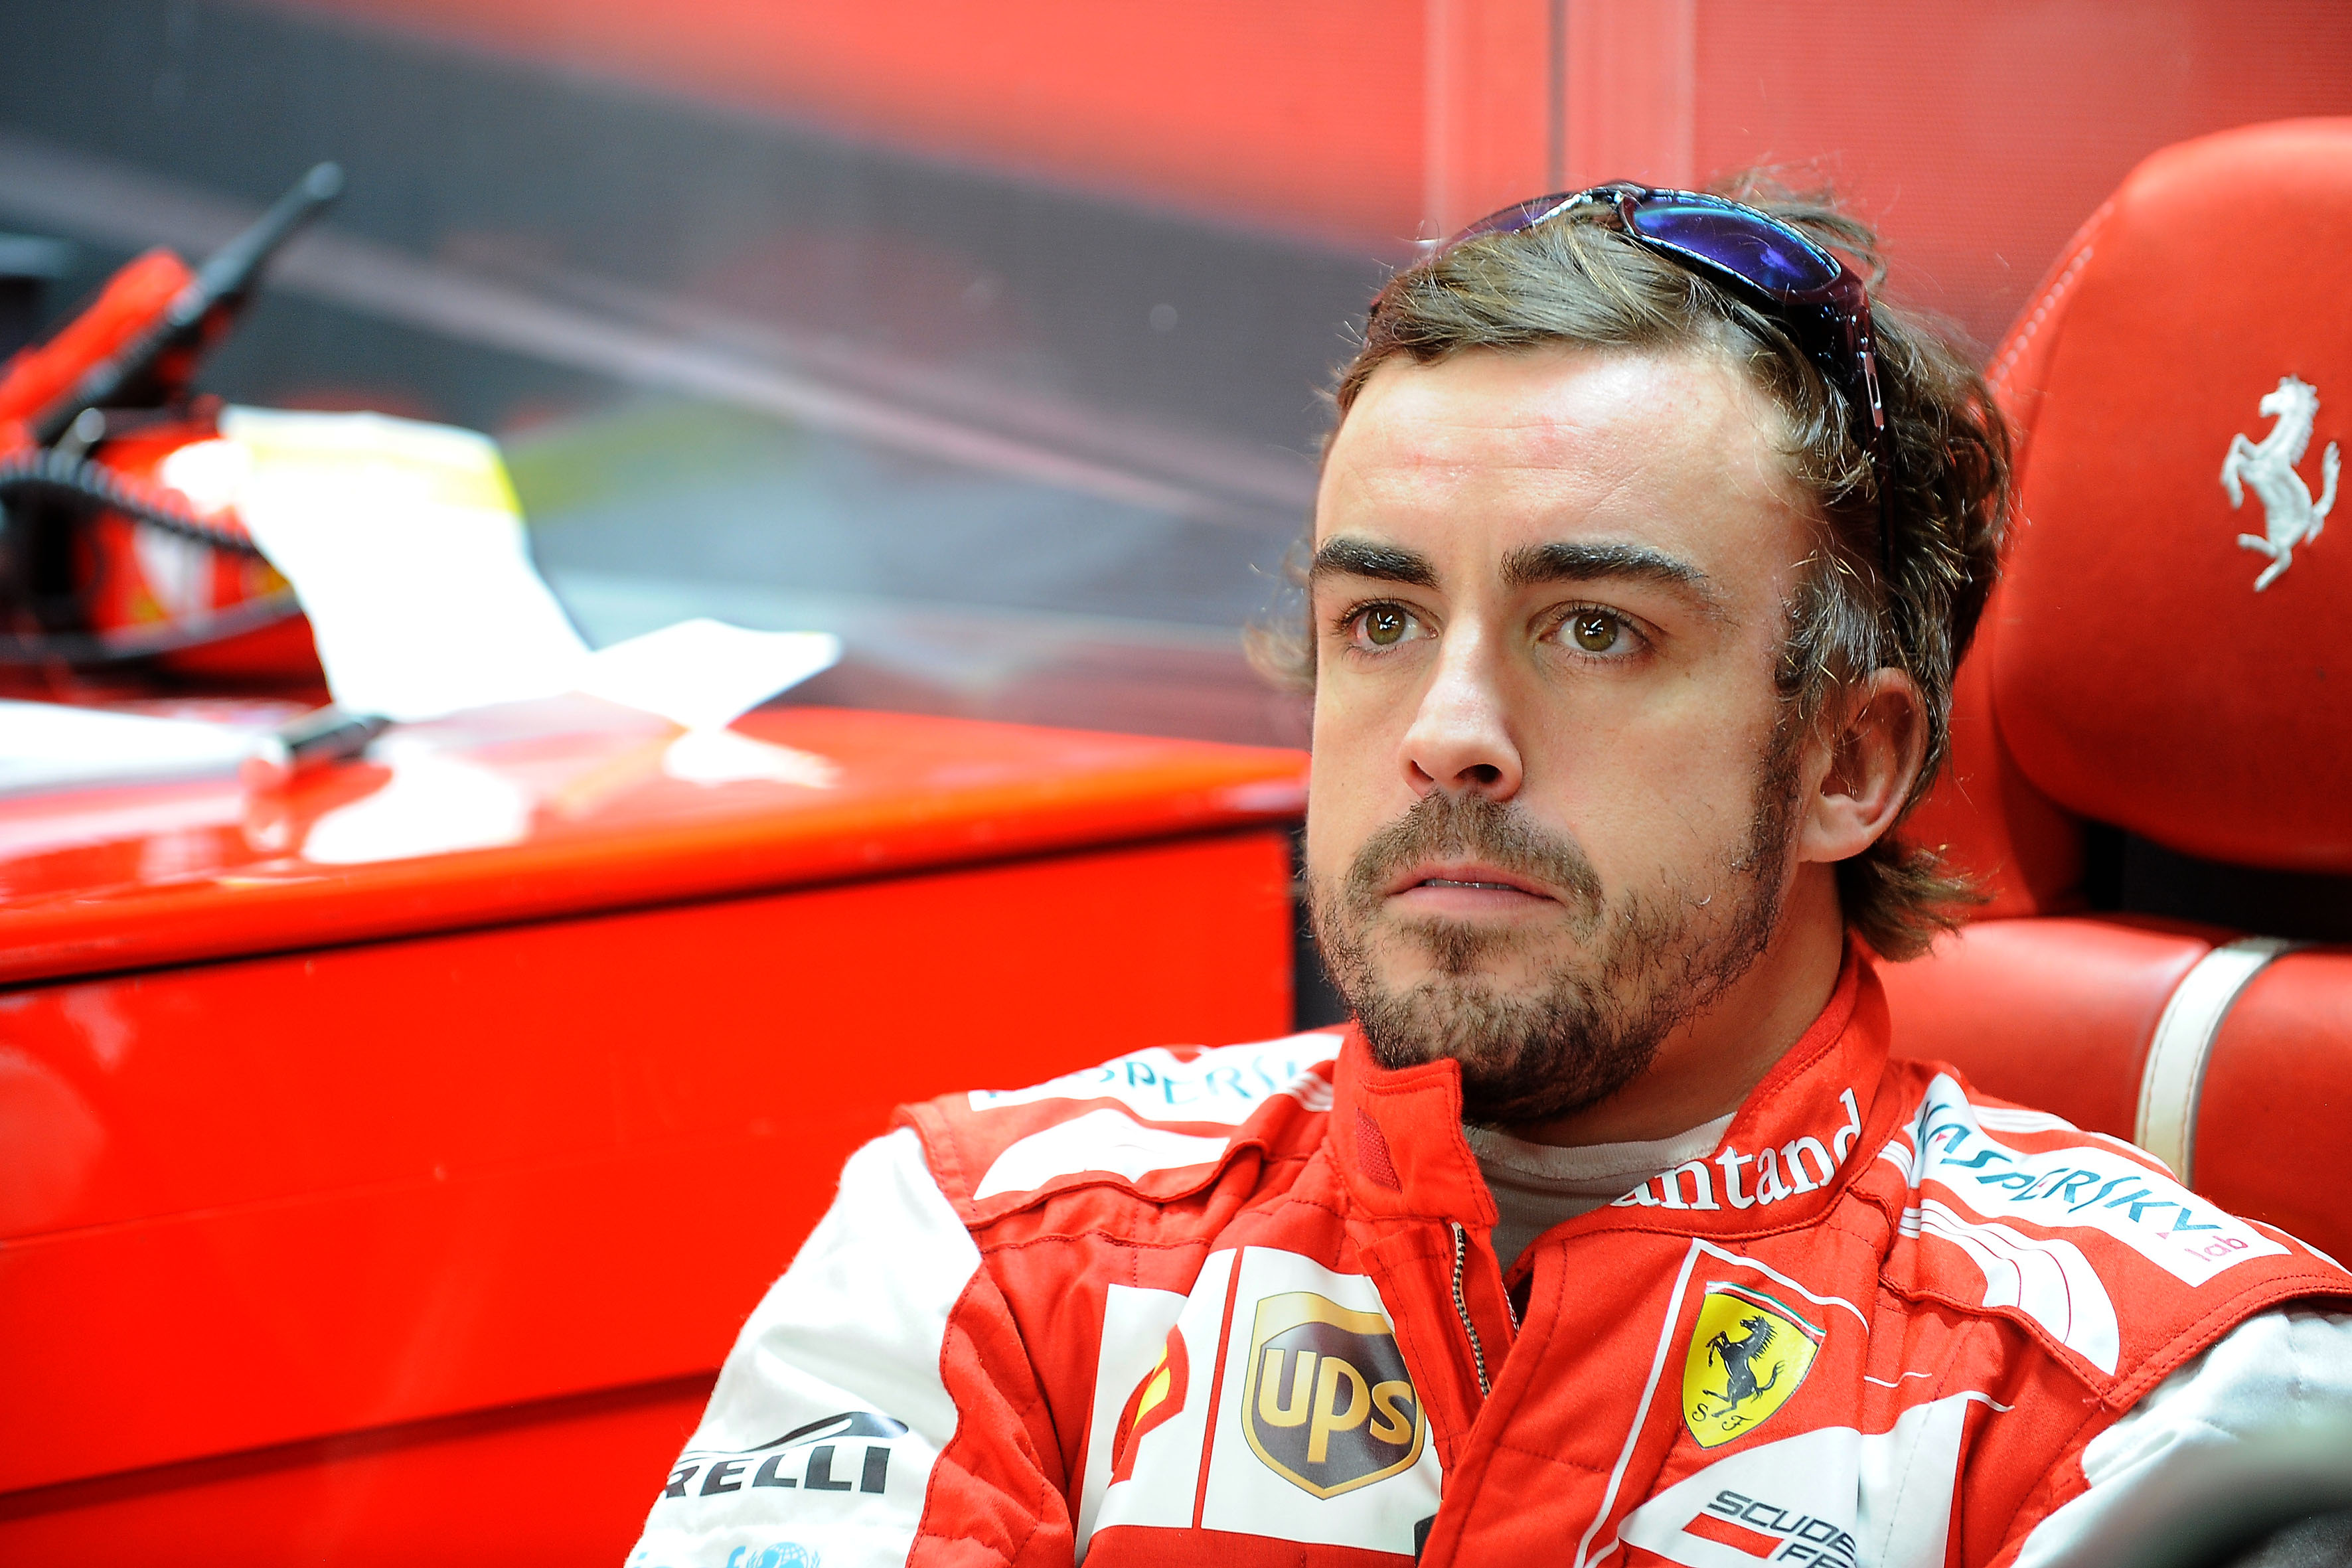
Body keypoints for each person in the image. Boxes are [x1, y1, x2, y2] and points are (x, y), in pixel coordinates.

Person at [625, 183, 2352, 1568]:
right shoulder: (991, 1256)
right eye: (1382, 620)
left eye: (1594, 627)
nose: (1450, 734)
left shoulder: (2171, 1418)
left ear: (1850, 760)